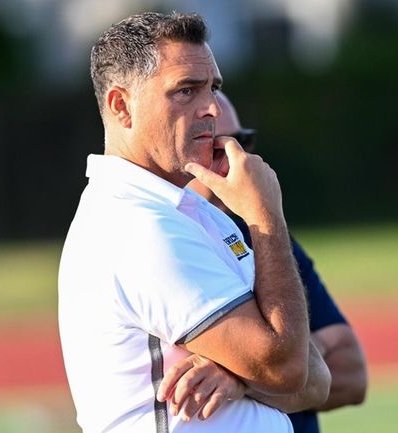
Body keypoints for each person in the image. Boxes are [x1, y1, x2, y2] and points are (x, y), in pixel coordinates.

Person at [58, 12, 330, 433]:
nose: (212, 109)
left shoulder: (189, 210)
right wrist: (266, 216)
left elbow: (316, 379)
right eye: (186, 90)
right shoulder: (137, 226)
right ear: (121, 106)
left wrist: (239, 377)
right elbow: (288, 368)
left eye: (213, 88)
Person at [185, 91, 367, 433]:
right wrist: (280, 366)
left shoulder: (268, 240)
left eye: (244, 142)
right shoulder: (168, 248)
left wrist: (244, 375)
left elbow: (352, 373)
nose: (239, 159)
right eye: (220, 145)